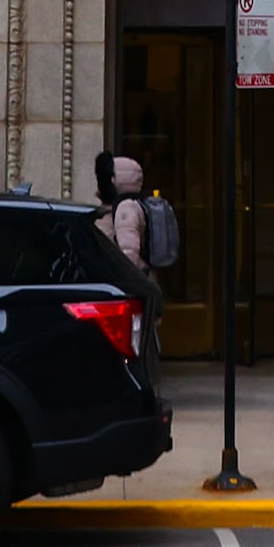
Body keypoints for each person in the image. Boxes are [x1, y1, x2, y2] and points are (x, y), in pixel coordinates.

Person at [95, 151, 179, 383]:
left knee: (138, 341)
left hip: (133, 286)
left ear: (115, 179)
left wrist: (121, 282)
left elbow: (128, 252)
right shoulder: (125, 206)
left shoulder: (125, 209)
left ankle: (143, 385)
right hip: (139, 282)